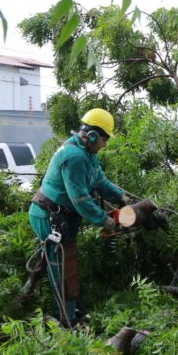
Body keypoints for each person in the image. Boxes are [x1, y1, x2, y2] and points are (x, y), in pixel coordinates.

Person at [29, 108, 129, 327]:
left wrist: (121, 197)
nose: (105, 144)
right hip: (49, 217)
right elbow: (80, 199)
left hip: (63, 218)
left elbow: (100, 182)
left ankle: (70, 312)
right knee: (61, 267)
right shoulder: (74, 157)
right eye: (104, 139)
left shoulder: (88, 155)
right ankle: (64, 320)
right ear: (92, 135)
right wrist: (105, 221)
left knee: (69, 263)